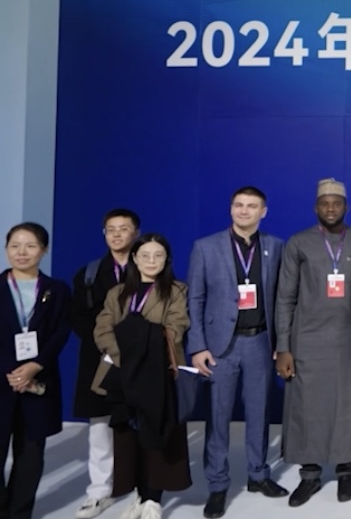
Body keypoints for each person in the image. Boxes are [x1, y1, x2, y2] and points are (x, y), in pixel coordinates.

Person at [186, 187, 288, 518]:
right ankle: (217, 485)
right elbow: (195, 299)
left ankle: (258, 475)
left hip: (260, 341)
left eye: (251, 206)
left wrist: (281, 344)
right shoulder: (206, 247)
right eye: (238, 205)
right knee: (218, 418)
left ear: (264, 211)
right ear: (231, 209)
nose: (244, 211)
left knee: (260, 414)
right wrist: (197, 346)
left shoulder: (275, 247)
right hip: (219, 346)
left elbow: (281, 299)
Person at [275, 178, 351, 506]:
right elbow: (285, 297)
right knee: (308, 408)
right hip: (307, 340)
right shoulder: (299, 243)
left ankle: (346, 471)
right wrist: (284, 347)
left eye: (337, 203)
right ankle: (311, 474)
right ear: (315, 207)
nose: (330, 208)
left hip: (350, 339)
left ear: (346, 207)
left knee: (349, 406)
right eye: (324, 203)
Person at [92, 233, 191, 519]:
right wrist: (129, 351)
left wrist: (133, 338)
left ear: (167, 259)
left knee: (158, 435)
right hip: (122, 372)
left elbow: (174, 329)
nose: (151, 261)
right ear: (134, 258)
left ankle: (154, 498)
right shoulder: (118, 292)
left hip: (158, 375)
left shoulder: (177, 291)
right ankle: (138, 493)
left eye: (158, 255)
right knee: (127, 439)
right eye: (145, 255)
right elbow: (102, 329)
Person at [71, 209, 139, 519]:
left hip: (139, 359)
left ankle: (140, 489)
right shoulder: (88, 273)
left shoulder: (148, 267)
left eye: (123, 229)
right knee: (99, 427)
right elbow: (79, 318)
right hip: (99, 359)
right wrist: (108, 346)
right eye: (110, 229)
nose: (116, 234)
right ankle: (99, 492)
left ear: (134, 233)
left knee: (137, 425)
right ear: (104, 233)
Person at [0, 222, 71, 519]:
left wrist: (34, 365)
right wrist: (11, 372)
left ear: (44, 249)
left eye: (30, 245)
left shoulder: (57, 289)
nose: (21, 252)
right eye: (15, 245)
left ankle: (18, 514)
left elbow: (60, 332)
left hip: (38, 381)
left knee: (30, 455)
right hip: (1, 381)